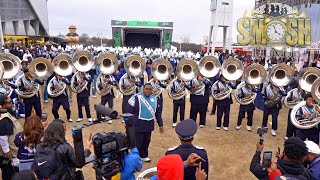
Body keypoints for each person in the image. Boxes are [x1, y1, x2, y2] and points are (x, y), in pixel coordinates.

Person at [127, 83, 163, 162]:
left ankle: (144, 155)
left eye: (150, 89)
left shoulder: (155, 99)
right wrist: (129, 125)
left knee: (146, 141)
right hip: (138, 125)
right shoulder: (135, 98)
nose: (148, 91)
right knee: (137, 143)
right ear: (143, 89)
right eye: (146, 89)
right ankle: (135, 158)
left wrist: (161, 124)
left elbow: (158, 113)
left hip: (149, 125)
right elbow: (128, 112)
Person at [0, 95, 22, 180]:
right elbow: (2, 136)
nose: (12, 104)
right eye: (9, 103)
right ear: (2, 105)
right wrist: (7, 151)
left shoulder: (7, 114)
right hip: (9, 154)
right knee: (9, 174)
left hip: (11, 151)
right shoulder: (5, 118)